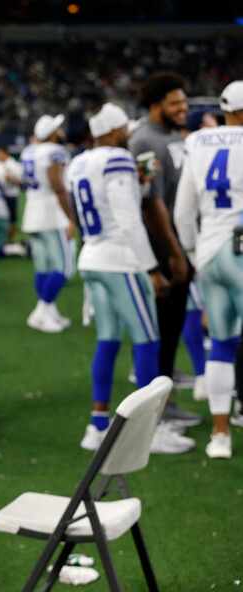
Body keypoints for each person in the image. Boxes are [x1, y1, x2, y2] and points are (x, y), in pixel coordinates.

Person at [68, 103, 194, 455]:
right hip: (119, 260)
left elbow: (98, 206)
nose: (128, 133)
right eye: (123, 128)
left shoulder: (79, 161)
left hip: (91, 256)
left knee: (108, 341)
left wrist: (140, 186)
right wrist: (152, 267)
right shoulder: (118, 159)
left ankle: (97, 425)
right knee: (148, 342)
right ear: (112, 131)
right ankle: (147, 432)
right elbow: (127, 220)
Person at [174, 80, 243, 459]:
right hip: (240, 246)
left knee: (220, 342)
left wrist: (192, 250)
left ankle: (219, 436)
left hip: (210, 249)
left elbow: (183, 211)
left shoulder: (199, 142)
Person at [129, 71, 201, 429]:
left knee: (170, 330)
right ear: (156, 105)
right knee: (161, 330)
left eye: (184, 102)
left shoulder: (171, 136)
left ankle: (163, 397)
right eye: (175, 102)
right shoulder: (144, 140)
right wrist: (174, 254)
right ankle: (157, 411)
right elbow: (151, 205)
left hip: (177, 243)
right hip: (162, 248)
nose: (182, 107)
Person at [20, 115, 76, 333]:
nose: (61, 131)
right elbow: (58, 186)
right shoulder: (55, 151)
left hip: (32, 210)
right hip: (51, 213)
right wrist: (71, 216)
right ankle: (41, 311)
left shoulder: (28, 150)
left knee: (42, 267)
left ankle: (48, 311)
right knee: (64, 267)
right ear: (52, 132)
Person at [0, 145, 23, 242]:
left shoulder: (14, 165)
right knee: (1, 218)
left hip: (11, 195)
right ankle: (2, 241)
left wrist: (11, 179)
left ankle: (10, 241)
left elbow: (21, 183)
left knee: (12, 220)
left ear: (5, 153)